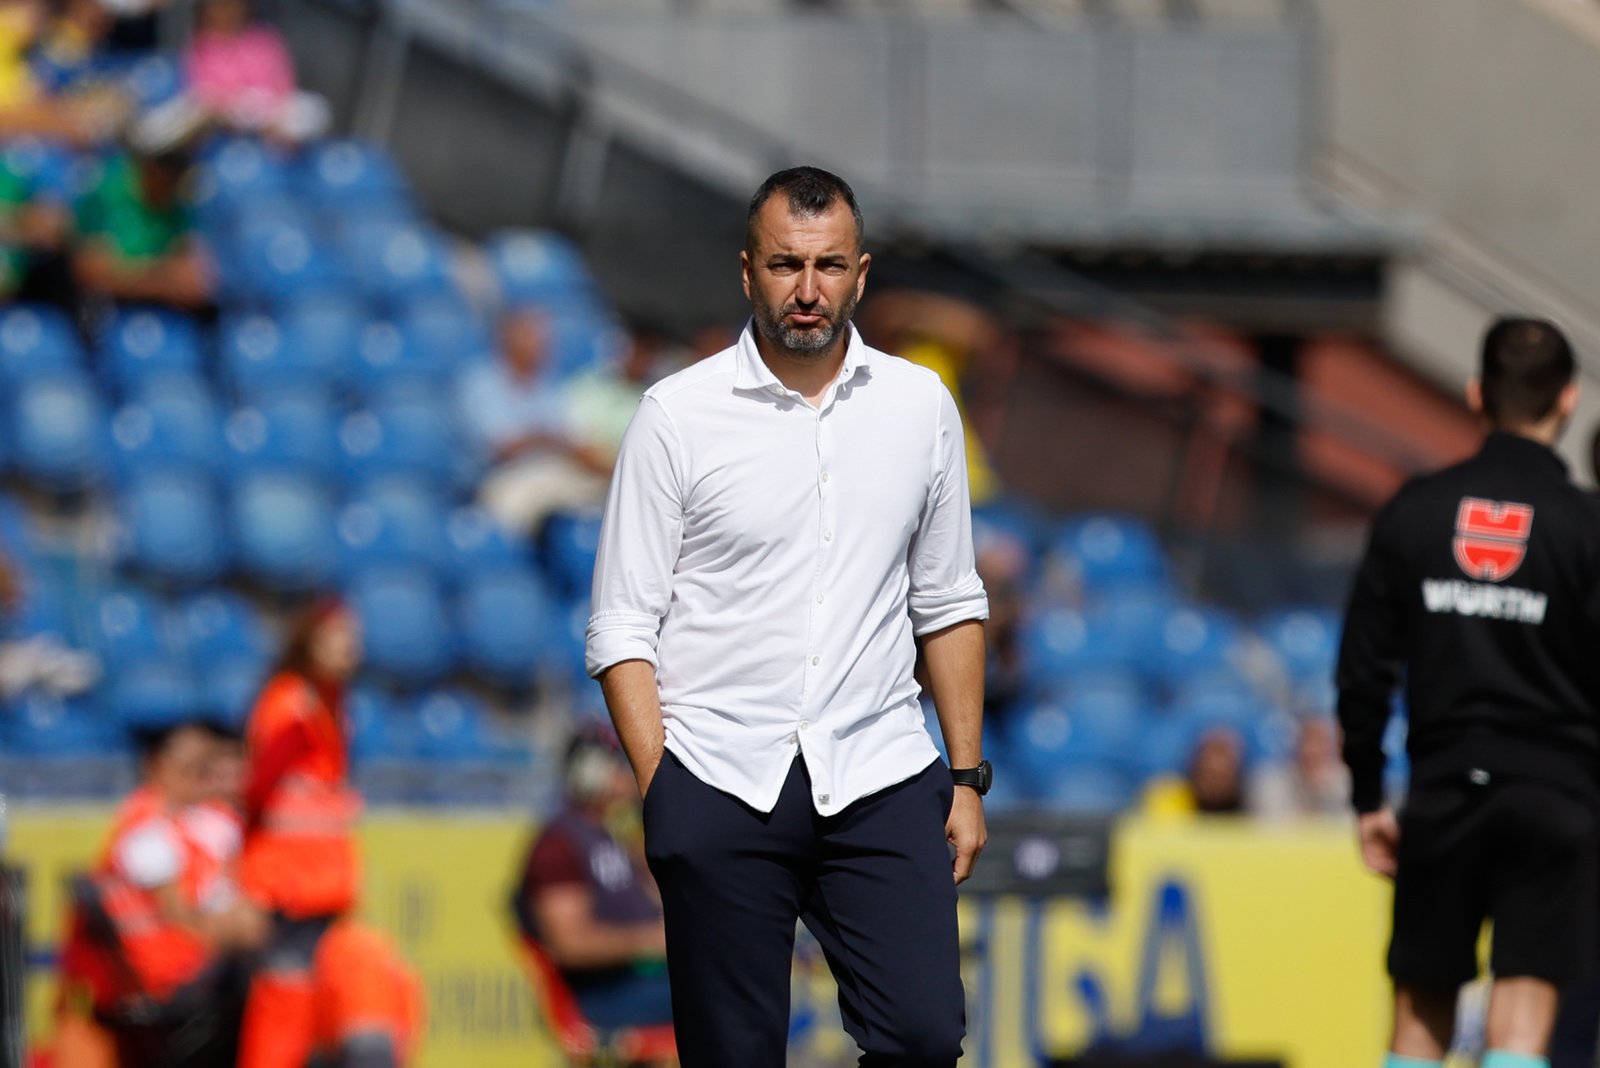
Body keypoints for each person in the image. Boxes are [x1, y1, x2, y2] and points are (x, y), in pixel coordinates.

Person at [587, 166, 990, 1067]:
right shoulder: (675, 416)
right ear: (747, 272)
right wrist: (666, 791)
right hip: (720, 773)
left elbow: (951, 600)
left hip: (880, 768)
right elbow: (621, 626)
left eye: (828, 266)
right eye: (784, 265)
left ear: (861, 273)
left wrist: (966, 777)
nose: (807, 290)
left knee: (924, 1035)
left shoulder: (920, 406)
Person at [1336, 317, 1600, 1068]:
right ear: (1569, 401)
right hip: (1556, 799)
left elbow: (1363, 668)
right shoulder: (1587, 527)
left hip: (1445, 791)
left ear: (1476, 393)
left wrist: (1365, 793)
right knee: (1520, 1025)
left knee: (1420, 1020)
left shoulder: (1416, 509)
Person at [53, 720, 266, 1068]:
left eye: (203, 770)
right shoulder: (145, 829)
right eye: (189, 770)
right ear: (156, 766)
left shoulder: (183, 823)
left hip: (175, 963)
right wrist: (239, 931)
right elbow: (180, 919)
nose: (199, 780)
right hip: (163, 972)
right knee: (275, 969)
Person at [235, 597, 365, 1068]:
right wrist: (248, 882)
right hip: (288, 888)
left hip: (317, 888)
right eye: (338, 637)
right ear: (309, 641)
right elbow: (256, 791)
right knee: (283, 1007)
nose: (351, 648)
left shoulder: (330, 705)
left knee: (311, 1010)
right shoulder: (293, 703)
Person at [512, 727, 671, 1035]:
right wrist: (651, 941)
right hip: (604, 995)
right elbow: (570, 945)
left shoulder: (614, 834)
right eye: (619, 764)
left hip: (637, 982)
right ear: (590, 771)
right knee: (727, 994)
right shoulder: (557, 846)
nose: (630, 773)